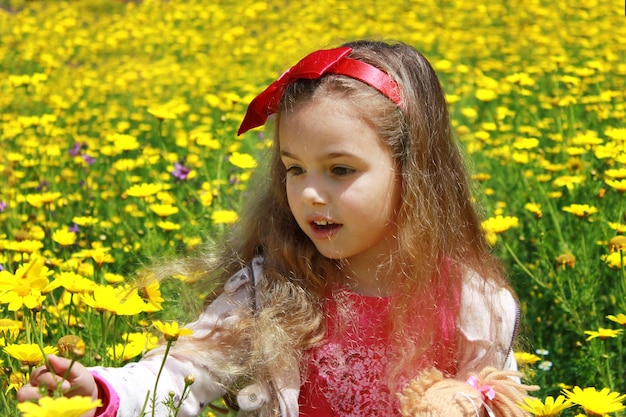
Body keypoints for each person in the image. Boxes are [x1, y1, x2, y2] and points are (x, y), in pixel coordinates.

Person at [17, 40, 520, 417]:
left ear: (414, 171)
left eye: (340, 170)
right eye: (294, 169)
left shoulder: (473, 303)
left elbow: (498, 396)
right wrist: (105, 394)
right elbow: (182, 372)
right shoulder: (274, 286)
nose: (309, 194)